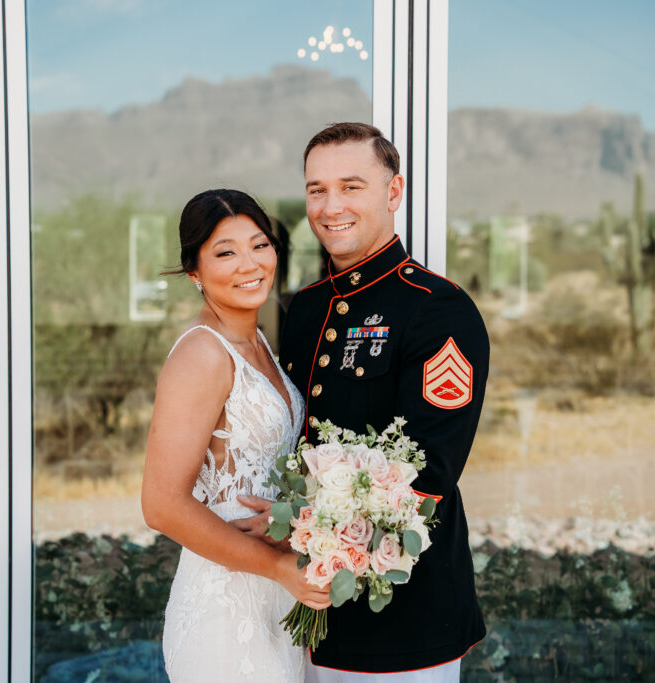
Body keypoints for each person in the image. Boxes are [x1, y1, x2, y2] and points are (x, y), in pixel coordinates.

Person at [237, 122, 489, 680]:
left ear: (393, 193)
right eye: (317, 189)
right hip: (298, 610)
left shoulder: (437, 309)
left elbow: (427, 473)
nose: (331, 206)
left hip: (403, 620)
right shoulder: (303, 308)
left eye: (351, 186)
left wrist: (294, 523)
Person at [142, 189, 330, 682]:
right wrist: (277, 569)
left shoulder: (258, 341)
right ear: (195, 273)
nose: (249, 263)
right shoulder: (202, 354)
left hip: (274, 596)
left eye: (259, 245)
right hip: (225, 604)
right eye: (225, 252)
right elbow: (161, 505)